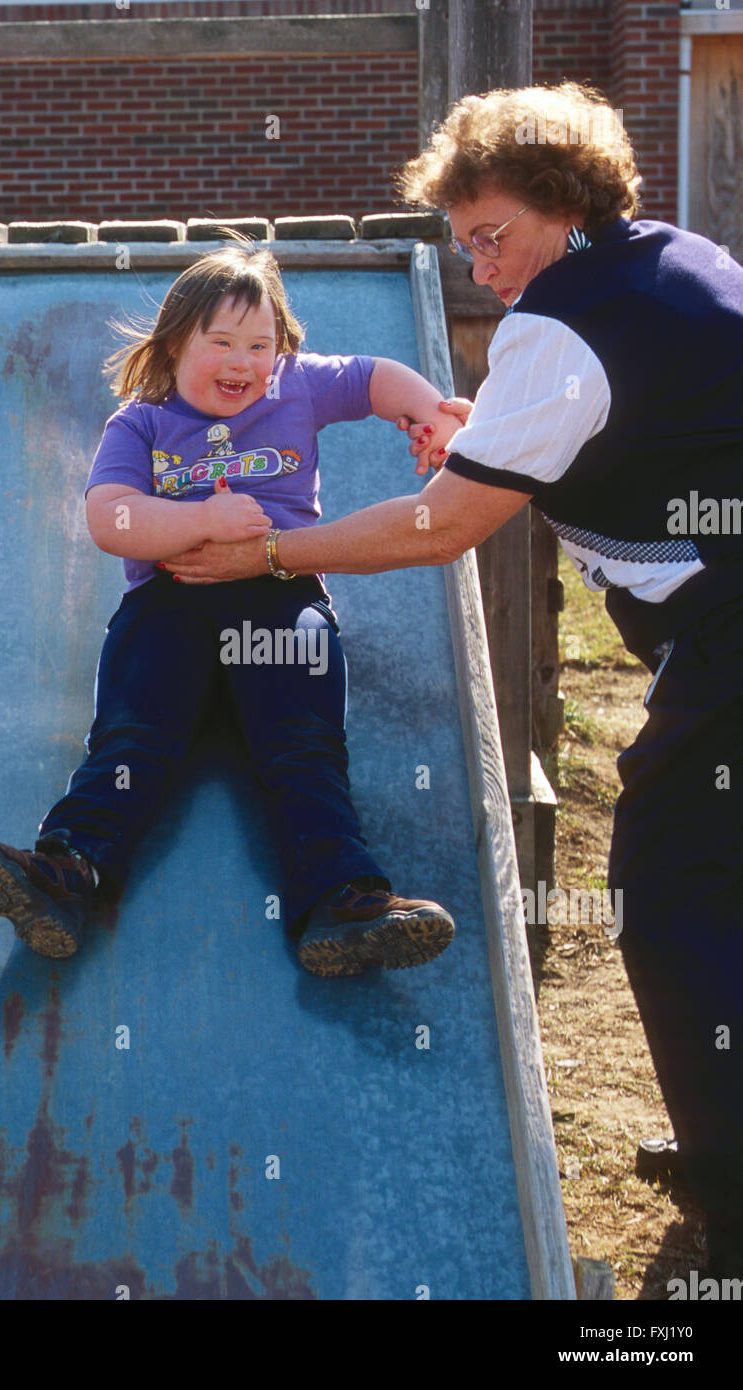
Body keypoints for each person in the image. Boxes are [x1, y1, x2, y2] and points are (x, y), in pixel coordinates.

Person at [162, 85, 743, 1279]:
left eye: (496, 234)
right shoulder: (672, 259)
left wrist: (265, 549)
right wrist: (501, 432)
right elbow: (624, 423)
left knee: (668, 883)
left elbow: (440, 527)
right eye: (464, 241)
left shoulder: (564, 322)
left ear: (566, 203)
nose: (480, 266)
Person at [0, 238, 467, 979]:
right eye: (220, 341)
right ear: (173, 344)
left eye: (259, 344)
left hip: (279, 596)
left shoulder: (296, 388)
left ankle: (340, 903)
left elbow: (376, 380)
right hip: (174, 603)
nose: (242, 361)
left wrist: (428, 415)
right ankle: (63, 875)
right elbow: (110, 517)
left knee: (304, 747)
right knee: (132, 739)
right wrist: (201, 521)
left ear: (281, 351)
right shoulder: (142, 423)